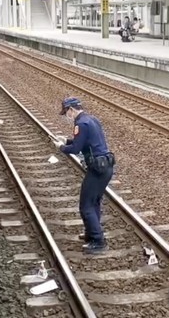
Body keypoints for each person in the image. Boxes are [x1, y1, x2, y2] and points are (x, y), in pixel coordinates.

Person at [52, 97, 115, 255]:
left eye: (66, 112)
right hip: (106, 166)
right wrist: (66, 140)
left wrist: (61, 147)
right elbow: (84, 142)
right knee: (94, 202)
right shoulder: (92, 119)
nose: (67, 116)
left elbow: (75, 149)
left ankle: (98, 241)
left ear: (71, 110)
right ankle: (91, 233)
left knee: (86, 205)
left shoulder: (80, 124)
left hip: (97, 169)